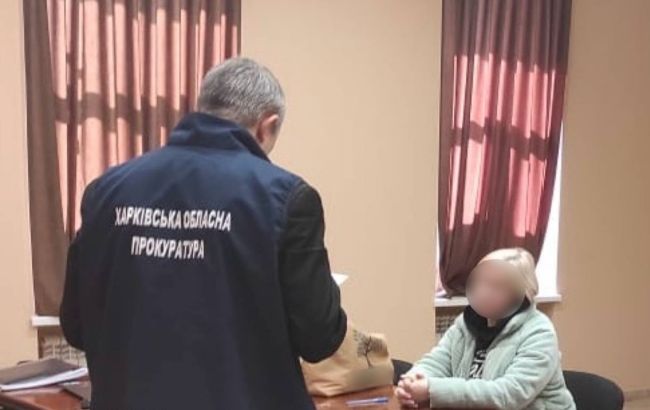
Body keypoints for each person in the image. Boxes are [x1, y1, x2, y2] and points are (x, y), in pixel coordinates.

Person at [60, 57, 347, 410]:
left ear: (204, 106)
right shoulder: (286, 198)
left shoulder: (106, 191)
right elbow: (320, 338)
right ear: (266, 126)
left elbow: (75, 326)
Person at [396, 248, 576, 410]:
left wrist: (431, 389)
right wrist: (413, 381)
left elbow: (508, 395)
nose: (482, 292)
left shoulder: (539, 332)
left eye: (495, 286)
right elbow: (437, 361)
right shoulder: (466, 323)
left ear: (522, 293)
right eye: (479, 282)